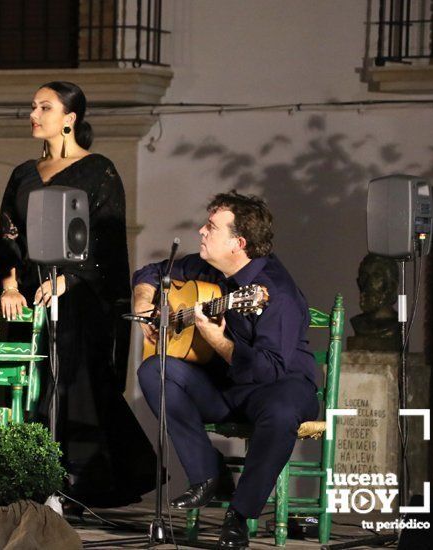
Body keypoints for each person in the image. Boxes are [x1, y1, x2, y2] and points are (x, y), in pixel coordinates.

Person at [0, 81, 156, 509]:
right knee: (29, 384)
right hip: (30, 298)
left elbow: (105, 242)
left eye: (44, 107)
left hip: (79, 298)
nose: (34, 114)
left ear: (70, 118)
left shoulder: (98, 170)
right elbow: (8, 237)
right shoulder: (23, 174)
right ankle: (28, 479)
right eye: (32, 106)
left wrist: (69, 280)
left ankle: (73, 485)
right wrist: (10, 285)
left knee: (69, 381)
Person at [133, 191, 318, 550]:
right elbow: (152, 272)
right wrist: (144, 301)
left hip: (281, 385)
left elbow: (268, 370)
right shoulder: (208, 269)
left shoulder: (276, 292)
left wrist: (215, 339)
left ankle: (239, 516)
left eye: (211, 227)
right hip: (227, 386)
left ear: (239, 242)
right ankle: (208, 474)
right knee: (153, 369)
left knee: (281, 413)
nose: (201, 231)